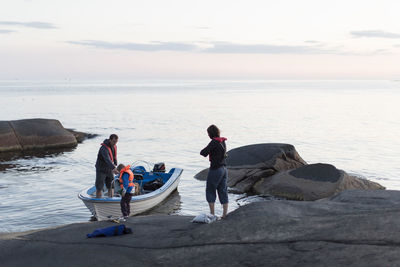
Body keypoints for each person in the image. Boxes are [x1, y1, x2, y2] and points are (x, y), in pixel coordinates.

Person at [200, 124, 229, 218]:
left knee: (210, 190)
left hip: (215, 169)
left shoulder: (214, 142)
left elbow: (203, 153)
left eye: (208, 133)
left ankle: (212, 214)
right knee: (223, 190)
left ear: (210, 134)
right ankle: (224, 214)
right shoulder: (222, 141)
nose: (208, 135)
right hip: (224, 169)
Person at [95, 134, 119, 198]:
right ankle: (98, 200)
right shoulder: (103, 148)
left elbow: (114, 156)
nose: (115, 143)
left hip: (109, 169)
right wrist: (114, 168)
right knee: (99, 187)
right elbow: (107, 159)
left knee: (111, 185)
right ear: (110, 140)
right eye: (114, 141)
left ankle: (110, 199)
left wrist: (116, 163)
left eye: (116, 142)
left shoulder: (114, 146)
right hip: (101, 169)